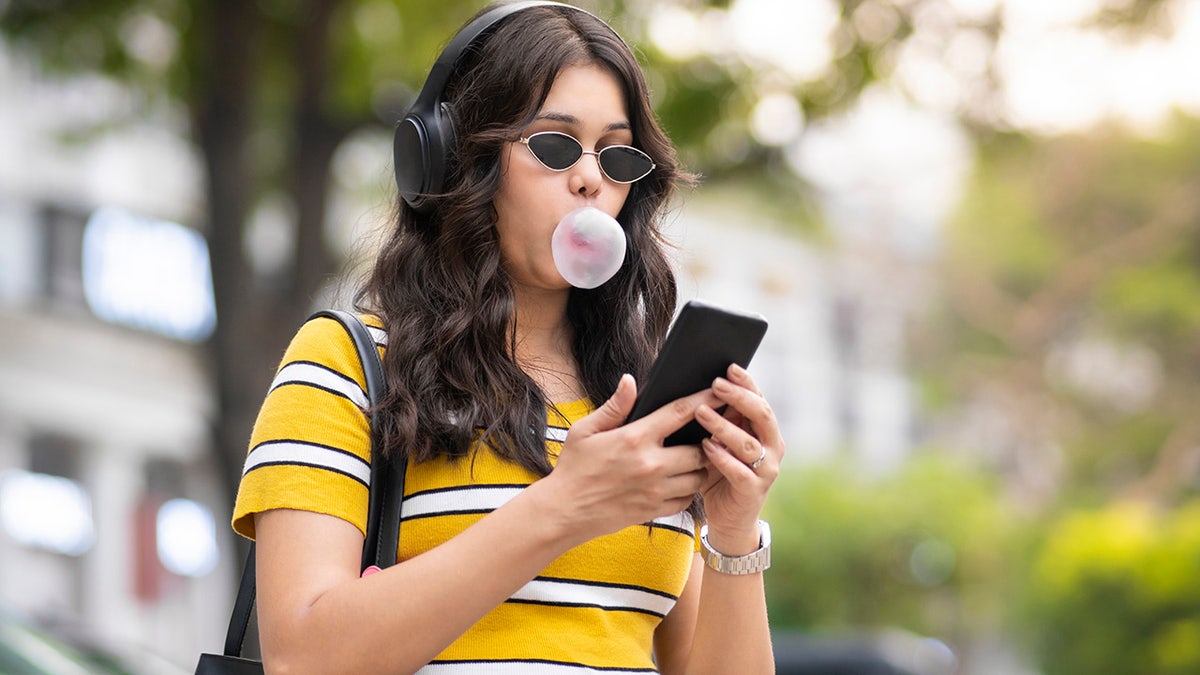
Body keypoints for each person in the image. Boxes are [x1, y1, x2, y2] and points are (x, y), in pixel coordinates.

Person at [232, 2, 784, 673]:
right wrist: (563, 506)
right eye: (554, 145)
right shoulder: (347, 362)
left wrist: (732, 533)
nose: (590, 177)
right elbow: (302, 657)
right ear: (457, 161)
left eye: (616, 155)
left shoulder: (637, 406)